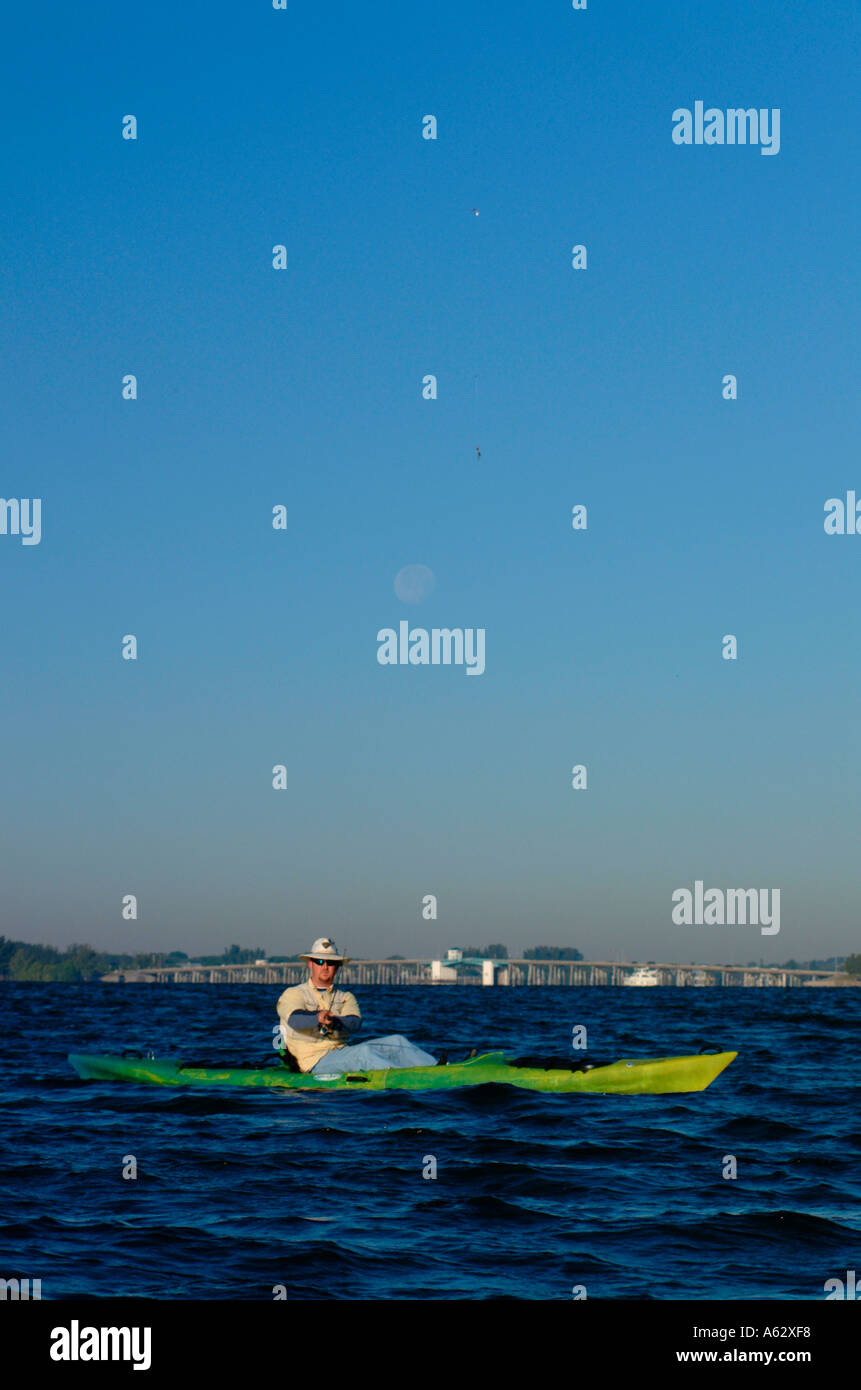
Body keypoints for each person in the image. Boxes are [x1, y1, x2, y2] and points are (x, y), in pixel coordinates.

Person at [276, 938, 437, 1076]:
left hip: (341, 1052)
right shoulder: (293, 993)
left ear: (337, 966)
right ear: (310, 965)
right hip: (312, 1062)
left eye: (331, 962)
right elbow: (294, 1018)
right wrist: (317, 1018)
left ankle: (441, 1068)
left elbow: (354, 1022)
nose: (325, 966)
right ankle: (415, 1078)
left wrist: (335, 1022)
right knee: (364, 1054)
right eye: (319, 961)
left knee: (398, 1041)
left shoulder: (346, 997)